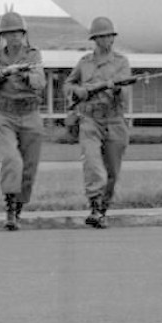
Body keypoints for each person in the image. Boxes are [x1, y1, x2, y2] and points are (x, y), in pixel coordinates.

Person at [0, 11, 46, 231]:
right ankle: (9, 205)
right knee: (12, 159)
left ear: (24, 34)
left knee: (29, 167)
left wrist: (24, 74)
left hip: (30, 113)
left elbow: (40, 81)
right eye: (9, 33)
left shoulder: (33, 55)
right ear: (3, 36)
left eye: (17, 32)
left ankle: (18, 207)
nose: (14, 37)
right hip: (5, 114)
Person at [63, 17, 131, 230]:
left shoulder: (121, 62)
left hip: (114, 118)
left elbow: (125, 94)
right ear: (95, 39)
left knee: (112, 170)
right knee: (93, 164)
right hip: (90, 119)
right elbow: (69, 84)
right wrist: (78, 91)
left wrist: (115, 88)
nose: (106, 40)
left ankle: (103, 210)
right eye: (102, 36)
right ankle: (94, 206)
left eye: (109, 36)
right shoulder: (84, 62)